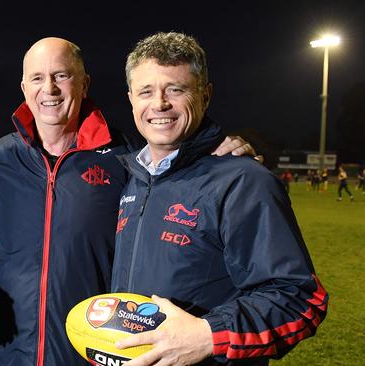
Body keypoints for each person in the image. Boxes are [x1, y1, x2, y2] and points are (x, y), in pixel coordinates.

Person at [0, 37, 256, 366]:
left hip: (95, 352)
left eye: (62, 76)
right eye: (38, 78)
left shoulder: (127, 158)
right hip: (10, 354)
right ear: (24, 87)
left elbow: (176, 165)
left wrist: (218, 149)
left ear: (84, 84)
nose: (49, 89)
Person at [112, 32, 328, 365]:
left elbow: (299, 298)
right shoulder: (131, 177)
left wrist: (208, 334)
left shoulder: (244, 180)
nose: (159, 104)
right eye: (146, 91)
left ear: (206, 94)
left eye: (176, 89)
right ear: (131, 99)